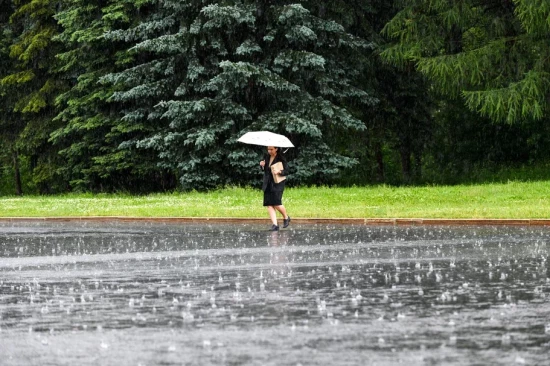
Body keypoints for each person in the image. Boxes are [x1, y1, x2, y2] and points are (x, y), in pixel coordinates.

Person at [260, 146, 291, 231]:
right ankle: (275, 225)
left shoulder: (281, 157)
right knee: (269, 204)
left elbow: (287, 171)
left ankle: (286, 217)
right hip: (268, 183)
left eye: (271, 149)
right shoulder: (266, 156)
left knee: (276, 203)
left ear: (276, 149)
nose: (269, 151)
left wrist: (279, 172)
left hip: (277, 183)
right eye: (268, 149)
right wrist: (262, 165)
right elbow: (266, 170)